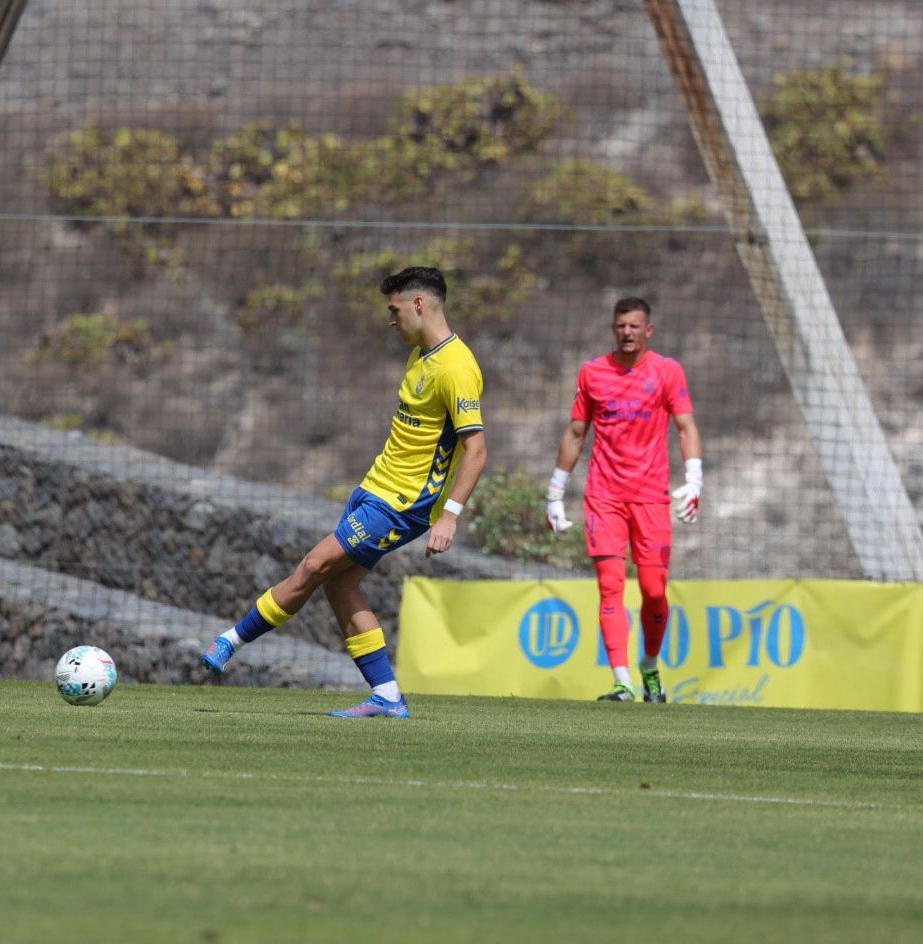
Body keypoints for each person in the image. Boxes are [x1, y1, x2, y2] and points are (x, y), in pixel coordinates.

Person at [201, 266, 487, 718]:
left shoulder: (457, 368)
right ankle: (388, 696)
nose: (390, 320)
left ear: (419, 304)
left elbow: (476, 449)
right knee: (340, 583)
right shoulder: (422, 357)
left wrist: (450, 515)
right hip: (374, 491)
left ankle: (230, 641)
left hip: (403, 504)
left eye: (394, 310)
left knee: (314, 564)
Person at [545, 296, 702, 703]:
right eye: (621, 326)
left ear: (648, 330)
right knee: (611, 587)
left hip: (651, 498)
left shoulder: (667, 371)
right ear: (613, 329)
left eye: (635, 326)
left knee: (653, 591)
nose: (627, 332)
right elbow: (576, 433)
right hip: (604, 497)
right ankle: (621, 682)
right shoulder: (593, 373)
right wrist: (555, 492)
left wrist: (695, 478)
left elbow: (685, 426)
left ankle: (649, 666)